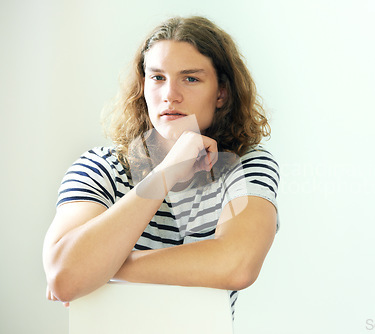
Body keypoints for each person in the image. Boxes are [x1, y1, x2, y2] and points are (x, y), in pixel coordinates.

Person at [42, 16, 279, 318]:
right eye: (157, 78)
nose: (170, 94)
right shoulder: (99, 167)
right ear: (143, 86)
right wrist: (167, 171)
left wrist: (101, 267)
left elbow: (237, 265)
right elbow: (66, 276)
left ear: (221, 93)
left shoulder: (244, 166)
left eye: (190, 78)